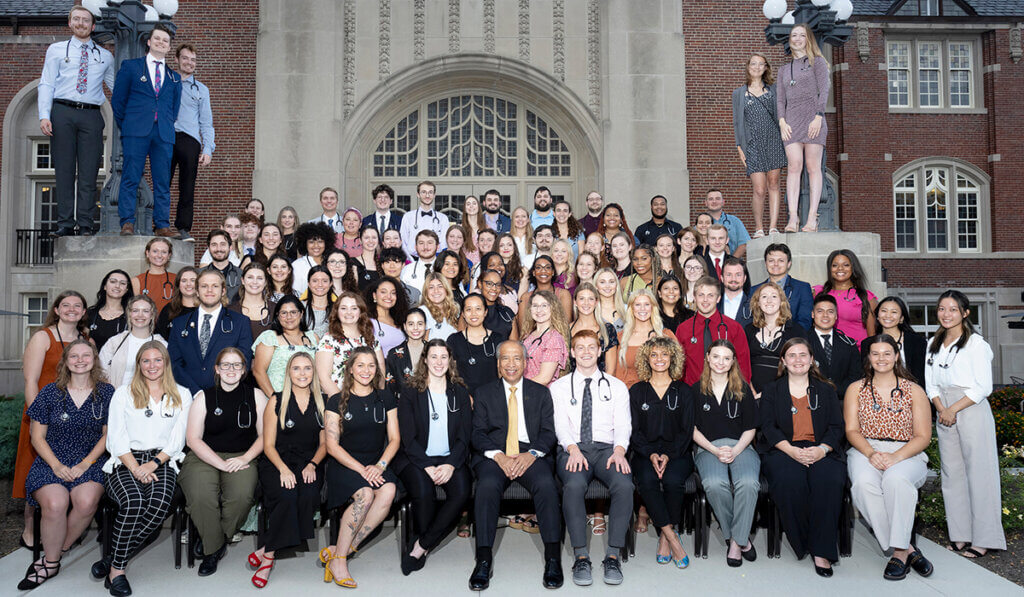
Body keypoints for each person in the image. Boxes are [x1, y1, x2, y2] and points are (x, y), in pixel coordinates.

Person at [95, 341, 192, 596]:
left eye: (157, 360)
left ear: (166, 363)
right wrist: (136, 467)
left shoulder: (182, 394)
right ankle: (118, 572)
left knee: (159, 506)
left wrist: (153, 463)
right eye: (146, 361)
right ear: (138, 364)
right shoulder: (123, 393)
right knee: (135, 501)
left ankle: (112, 561)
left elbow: (178, 439)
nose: (152, 366)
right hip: (125, 460)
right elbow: (115, 437)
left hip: (163, 461)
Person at [18, 339, 114, 590]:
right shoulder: (50, 392)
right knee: (55, 502)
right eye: (74, 356)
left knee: (85, 501)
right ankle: (50, 563)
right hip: (51, 459)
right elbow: (36, 437)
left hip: (91, 459)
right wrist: (57, 465)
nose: (80, 360)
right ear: (66, 362)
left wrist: (85, 463)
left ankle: (55, 552)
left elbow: (109, 435)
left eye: (86, 355)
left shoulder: (107, 392)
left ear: (94, 359)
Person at [469, 341, 563, 591]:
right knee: (486, 486)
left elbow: (548, 433)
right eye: (505, 359)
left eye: (517, 359)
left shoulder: (541, 393)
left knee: (546, 485)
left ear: (525, 362)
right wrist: (499, 456)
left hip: (529, 454)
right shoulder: (483, 393)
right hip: (494, 454)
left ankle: (553, 558)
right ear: (498, 364)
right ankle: (483, 560)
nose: (511, 364)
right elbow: (477, 433)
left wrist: (531, 454)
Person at [845, 334, 934, 581]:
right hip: (866, 448)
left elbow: (923, 436)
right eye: (875, 354)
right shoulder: (856, 388)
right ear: (868, 358)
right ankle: (906, 548)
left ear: (896, 356)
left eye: (887, 353)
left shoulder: (914, 391)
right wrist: (871, 453)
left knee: (895, 481)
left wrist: (896, 457)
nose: (881, 358)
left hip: (907, 450)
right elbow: (851, 430)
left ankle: (899, 554)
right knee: (863, 485)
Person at [549, 331, 633, 586]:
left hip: (608, 450)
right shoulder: (559, 387)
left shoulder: (616, 386)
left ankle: (612, 556)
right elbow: (559, 425)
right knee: (573, 486)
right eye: (580, 348)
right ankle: (581, 556)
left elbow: (624, 425)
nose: (586, 352)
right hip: (573, 448)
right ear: (572, 353)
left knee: (625, 485)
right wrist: (572, 448)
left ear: (599, 352)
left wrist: (620, 450)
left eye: (591, 347)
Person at [925, 290, 1005, 557]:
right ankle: (960, 535)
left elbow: (983, 386)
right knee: (952, 474)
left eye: (953, 310)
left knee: (980, 474)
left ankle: (984, 538)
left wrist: (953, 409)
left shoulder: (976, 344)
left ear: (965, 313)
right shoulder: (933, 343)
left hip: (969, 407)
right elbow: (931, 383)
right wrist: (940, 408)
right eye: (941, 309)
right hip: (943, 409)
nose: (946, 314)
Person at [760, 338, 846, 577]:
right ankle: (803, 542)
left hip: (822, 449)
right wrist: (791, 450)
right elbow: (768, 426)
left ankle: (821, 551)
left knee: (828, 481)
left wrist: (822, 450)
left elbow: (837, 427)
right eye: (792, 356)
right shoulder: (771, 390)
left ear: (811, 360)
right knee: (790, 482)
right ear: (783, 361)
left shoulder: (826, 389)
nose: (798, 360)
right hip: (783, 449)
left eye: (803, 355)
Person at [180, 348, 267, 576]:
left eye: (237, 365)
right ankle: (213, 551)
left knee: (242, 496)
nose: (231, 369)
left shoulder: (257, 396)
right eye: (226, 365)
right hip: (204, 456)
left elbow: (265, 436)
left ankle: (212, 538)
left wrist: (246, 458)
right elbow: (193, 439)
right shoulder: (203, 397)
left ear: (244, 370)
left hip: (242, 456)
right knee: (201, 496)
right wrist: (220, 464)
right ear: (217, 369)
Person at [16, 290, 89, 548]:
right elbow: (30, 380)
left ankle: (60, 532)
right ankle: (29, 531)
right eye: (65, 305)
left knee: (65, 473)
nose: (71, 309)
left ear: (83, 312)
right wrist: (39, 414)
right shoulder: (43, 337)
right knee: (35, 471)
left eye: (77, 306)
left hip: (74, 418)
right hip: (43, 415)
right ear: (56, 309)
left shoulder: (85, 339)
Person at [322, 347, 400, 589]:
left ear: (377, 369)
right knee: (365, 495)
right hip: (344, 464)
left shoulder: (385, 397)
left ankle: (343, 547)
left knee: (388, 491)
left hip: (376, 463)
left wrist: (380, 465)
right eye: (361, 365)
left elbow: (395, 439)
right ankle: (340, 561)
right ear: (351, 369)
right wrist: (362, 469)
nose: (366, 370)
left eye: (371, 365)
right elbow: (332, 446)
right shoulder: (336, 401)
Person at [396, 340, 474, 575]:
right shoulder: (410, 392)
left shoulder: (459, 392)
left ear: (450, 361)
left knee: (461, 491)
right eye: (434, 356)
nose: (439, 362)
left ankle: (422, 543)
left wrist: (451, 464)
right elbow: (408, 438)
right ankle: (424, 539)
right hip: (416, 458)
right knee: (423, 490)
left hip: (451, 458)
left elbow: (464, 435)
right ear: (425, 360)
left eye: (443, 357)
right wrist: (427, 465)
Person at [249, 351, 327, 588]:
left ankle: (265, 547)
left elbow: (325, 444)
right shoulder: (276, 399)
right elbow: (268, 444)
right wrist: (283, 469)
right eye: (296, 368)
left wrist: (313, 464)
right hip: (277, 461)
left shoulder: (322, 401)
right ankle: (269, 558)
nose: (302, 373)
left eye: (307, 368)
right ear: (288, 372)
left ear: (313, 372)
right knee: (286, 495)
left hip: (309, 461)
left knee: (309, 495)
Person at [37, 5, 115, 237]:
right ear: (70, 23)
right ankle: (65, 224)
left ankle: (86, 224)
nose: (81, 23)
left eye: (86, 20)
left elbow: (116, 88)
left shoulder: (105, 56)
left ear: (93, 26)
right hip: (62, 112)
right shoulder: (56, 50)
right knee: (64, 170)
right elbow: (47, 83)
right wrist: (44, 114)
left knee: (90, 172)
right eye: (76, 19)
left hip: (91, 115)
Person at [691, 340, 760, 567]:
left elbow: (751, 427)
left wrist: (736, 449)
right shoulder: (695, 390)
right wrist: (714, 450)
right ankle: (742, 540)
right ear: (708, 358)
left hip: (741, 445)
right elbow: (692, 430)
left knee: (749, 483)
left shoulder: (742, 388)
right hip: (707, 447)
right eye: (716, 356)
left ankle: (735, 541)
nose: (721, 362)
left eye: (726, 358)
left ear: (733, 362)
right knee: (713, 483)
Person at [111, 23, 181, 237]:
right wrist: (130, 125)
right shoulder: (131, 67)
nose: (161, 42)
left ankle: (162, 224)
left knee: (162, 181)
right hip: (136, 132)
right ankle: (127, 222)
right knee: (131, 176)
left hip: (163, 134)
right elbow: (118, 101)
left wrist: (164, 124)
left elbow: (174, 108)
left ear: (169, 47)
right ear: (149, 42)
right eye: (157, 39)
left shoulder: (174, 77)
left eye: (165, 41)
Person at [629, 336, 693, 568]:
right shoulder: (637, 391)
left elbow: (687, 431)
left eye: (665, 354)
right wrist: (651, 454)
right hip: (645, 453)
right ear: (647, 358)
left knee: (674, 480)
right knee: (647, 480)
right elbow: (633, 431)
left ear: (673, 358)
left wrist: (668, 454)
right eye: (654, 354)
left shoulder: (684, 391)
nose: (659, 359)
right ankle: (671, 536)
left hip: (677, 453)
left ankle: (665, 539)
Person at [777, 24, 830, 232]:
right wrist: (782, 121)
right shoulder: (783, 70)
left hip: (813, 119)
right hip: (791, 122)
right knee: (793, 167)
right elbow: (780, 100)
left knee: (813, 167)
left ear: (808, 39)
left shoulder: (818, 63)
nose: (797, 39)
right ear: (789, 40)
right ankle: (793, 218)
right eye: (793, 35)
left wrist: (819, 116)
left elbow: (824, 91)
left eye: (801, 35)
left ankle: (811, 219)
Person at [168, 269, 255, 395]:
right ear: (197, 291)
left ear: (223, 291)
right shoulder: (179, 324)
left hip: (227, 394)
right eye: (204, 286)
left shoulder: (240, 323)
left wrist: (218, 391)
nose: (209, 290)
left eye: (215, 286)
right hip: (187, 395)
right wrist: (195, 391)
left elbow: (243, 362)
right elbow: (174, 364)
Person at [733, 53, 786, 237]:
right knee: (759, 188)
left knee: (773, 184)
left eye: (760, 64)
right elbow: (737, 122)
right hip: (752, 144)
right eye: (753, 64)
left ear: (765, 68)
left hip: (773, 140)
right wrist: (739, 147)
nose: (756, 67)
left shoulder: (774, 90)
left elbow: (782, 114)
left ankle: (772, 227)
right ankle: (758, 228)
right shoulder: (739, 93)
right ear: (748, 67)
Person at [169, 43, 215, 242]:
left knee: (187, 186)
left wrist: (208, 149)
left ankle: (183, 228)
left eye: (193, 60)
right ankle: (160, 224)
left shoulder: (202, 90)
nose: (189, 63)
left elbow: (206, 123)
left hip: (189, 140)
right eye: (186, 58)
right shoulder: (166, 82)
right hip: (166, 137)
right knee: (163, 183)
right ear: (177, 59)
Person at [676, 277, 752, 384]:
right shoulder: (683, 329)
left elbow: (743, 365)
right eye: (701, 295)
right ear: (694, 297)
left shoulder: (734, 328)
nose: (705, 300)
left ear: (718, 298)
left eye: (710, 295)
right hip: (692, 392)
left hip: (727, 392)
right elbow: (678, 366)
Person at [316, 292, 386, 395]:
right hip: (338, 402)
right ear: (337, 312)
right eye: (343, 308)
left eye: (354, 308)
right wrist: (342, 404)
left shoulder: (371, 339)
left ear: (361, 312)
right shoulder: (328, 340)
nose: (349, 312)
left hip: (369, 402)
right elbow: (323, 379)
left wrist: (377, 398)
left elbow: (381, 374)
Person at [745, 281, 807, 396]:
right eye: (764, 297)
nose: (769, 301)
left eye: (774, 296)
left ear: (781, 302)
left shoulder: (795, 330)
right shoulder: (748, 330)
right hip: (751, 395)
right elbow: (742, 364)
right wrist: (751, 391)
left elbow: (800, 366)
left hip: (784, 393)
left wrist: (770, 393)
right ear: (758, 302)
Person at [252, 296, 318, 397]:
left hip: (309, 399)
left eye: (293, 312)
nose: (289, 317)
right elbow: (258, 371)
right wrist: (275, 400)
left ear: (301, 313)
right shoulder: (269, 337)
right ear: (277, 316)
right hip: (278, 398)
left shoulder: (313, 337)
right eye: (284, 313)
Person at [813, 249, 877, 347]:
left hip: (857, 354)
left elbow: (872, 335)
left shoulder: (866, 297)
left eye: (846, 265)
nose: (840, 268)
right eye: (835, 265)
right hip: (826, 353)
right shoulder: (818, 292)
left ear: (853, 268)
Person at [99, 295, 166, 387]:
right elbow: (100, 372)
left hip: (150, 398)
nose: (140, 315)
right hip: (118, 397)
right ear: (129, 314)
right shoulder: (115, 343)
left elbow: (168, 375)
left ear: (152, 315)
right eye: (135, 311)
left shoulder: (162, 345)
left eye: (145, 311)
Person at [615, 289, 676, 388]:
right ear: (631, 308)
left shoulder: (666, 336)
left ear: (652, 307)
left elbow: (676, 370)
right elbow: (617, 373)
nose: (642, 309)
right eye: (638, 305)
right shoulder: (621, 338)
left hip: (659, 395)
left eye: (647, 304)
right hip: (629, 395)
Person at [805, 294, 861, 398]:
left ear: (836, 316)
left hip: (842, 400)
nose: (825, 315)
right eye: (820, 311)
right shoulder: (802, 342)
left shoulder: (849, 344)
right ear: (812, 314)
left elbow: (856, 376)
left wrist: (836, 391)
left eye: (830, 312)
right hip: (811, 398)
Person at [449, 294, 506, 394]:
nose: (473, 314)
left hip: (492, 399)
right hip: (465, 400)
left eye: (478, 309)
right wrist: (464, 397)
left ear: (485, 312)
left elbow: (502, 373)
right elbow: (451, 374)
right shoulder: (454, 340)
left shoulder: (498, 339)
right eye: (469, 309)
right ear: (463, 313)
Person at [753, 243, 814, 330]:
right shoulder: (754, 290)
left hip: (792, 341)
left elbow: (805, 322)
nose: (775, 264)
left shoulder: (802, 288)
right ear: (765, 263)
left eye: (781, 260)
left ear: (789, 264)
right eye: (771, 260)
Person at [869, 296, 927, 385]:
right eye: (884, 311)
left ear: (901, 318)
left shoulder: (917, 342)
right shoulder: (867, 343)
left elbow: (920, 377)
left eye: (894, 312)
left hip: (910, 393)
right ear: (877, 315)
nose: (888, 315)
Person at [521, 290, 570, 387]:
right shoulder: (528, 335)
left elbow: (544, 378)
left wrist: (518, 389)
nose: (539, 310)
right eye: (535, 305)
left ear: (553, 308)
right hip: (526, 390)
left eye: (544, 305)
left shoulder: (554, 339)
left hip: (540, 393)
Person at [569, 283, 619, 375]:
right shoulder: (566, 330)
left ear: (596, 302)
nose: (586, 303)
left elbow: (611, 370)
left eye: (590, 299)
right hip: (572, 386)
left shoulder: (608, 330)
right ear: (575, 302)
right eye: (582, 299)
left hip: (601, 385)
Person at [518, 256, 574, 331]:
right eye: (538, 268)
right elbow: (523, 329)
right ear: (534, 272)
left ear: (553, 272)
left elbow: (566, 325)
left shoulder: (563, 294)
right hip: (532, 340)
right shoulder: (525, 298)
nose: (543, 270)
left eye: (547, 267)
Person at [86, 270, 133, 352]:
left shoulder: (132, 316)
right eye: (113, 282)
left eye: (122, 283)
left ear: (126, 290)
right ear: (105, 286)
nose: (117, 286)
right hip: (93, 363)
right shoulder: (90, 314)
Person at [400, 180, 450, 256]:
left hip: (435, 261)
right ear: (418, 194)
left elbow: (444, 244)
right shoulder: (408, 217)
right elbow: (403, 242)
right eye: (423, 192)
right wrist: (411, 261)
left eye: (430, 192)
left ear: (434, 195)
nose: (427, 196)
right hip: (413, 260)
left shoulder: (443, 219)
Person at [385, 308, 427, 395]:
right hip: (403, 405)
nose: (415, 328)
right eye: (411, 324)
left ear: (425, 326)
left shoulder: (433, 350)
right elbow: (390, 387)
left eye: (420, 324)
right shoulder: (394, 354)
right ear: (405, 326)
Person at [228, 262, 273, 340]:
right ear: (242, 280)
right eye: (250, 277)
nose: (254, 282)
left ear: (265, 282)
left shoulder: (275, 309)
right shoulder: (230, 310)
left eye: (259, 278)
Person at [365, 276, 408, 357]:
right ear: (374, 295)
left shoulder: (401, 319)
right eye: (383, 292)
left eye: (393, 293)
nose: (389, 296)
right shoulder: (367, 322)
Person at [131, 238, 177, 314]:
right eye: (155, 251)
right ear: (147, 253)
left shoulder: (177, 279)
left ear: (169, 256)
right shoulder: (136, 281)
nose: (159, 255)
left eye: (164, 252)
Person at [290, 222, 334, 296]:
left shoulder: (332, 262)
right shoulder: (297, 266)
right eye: (311, 242)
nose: (316, 245)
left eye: (320, 241)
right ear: (305, 244)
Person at [705, 190, 749, 259]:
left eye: (717, 198)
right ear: (706, 203)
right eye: (711, 199)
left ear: (723, 202)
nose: (714, 201)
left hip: (733, 265)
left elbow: (744, 244)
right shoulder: (701, 224)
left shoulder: (735, 221)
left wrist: (730, 261)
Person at [156, 266, 198, 338]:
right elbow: (159, 337)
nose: (188, 284)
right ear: (178, 284)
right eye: (184, 281)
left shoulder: (206, 309)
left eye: (193, 280)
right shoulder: (168, 309)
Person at [478, 267, 519, 340]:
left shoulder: (507, 313)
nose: (494, 288)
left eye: (498, 285)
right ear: (480, 284)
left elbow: (514, 346)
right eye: (489, 284)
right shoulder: (471, 311)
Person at [419, 272, 461, 341]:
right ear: (426, 292)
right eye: (431, 287)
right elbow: (424, 342)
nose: (436, 291)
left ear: (446, 289)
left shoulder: (455, 309)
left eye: (440, 286)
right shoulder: (423, 312)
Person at [203, 229, 243, 301]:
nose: (219, 249)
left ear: (230, 247)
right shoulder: (199, 274)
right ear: (208, 248)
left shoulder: (241, 275)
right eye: (214, 245)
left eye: (223, 244)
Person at [719, 257, 753, 328]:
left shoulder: (754, 306)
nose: (733, 279)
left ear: (744, 278)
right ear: (722, 278)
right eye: (729, 275)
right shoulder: (714, 305)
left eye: (738, 275)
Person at [595, 267, 626, 332]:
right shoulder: (591, 311)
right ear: (596, 286)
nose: (607, 286)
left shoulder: (626, 309)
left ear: (616, 285)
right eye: (602, 282)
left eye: (611, 282)